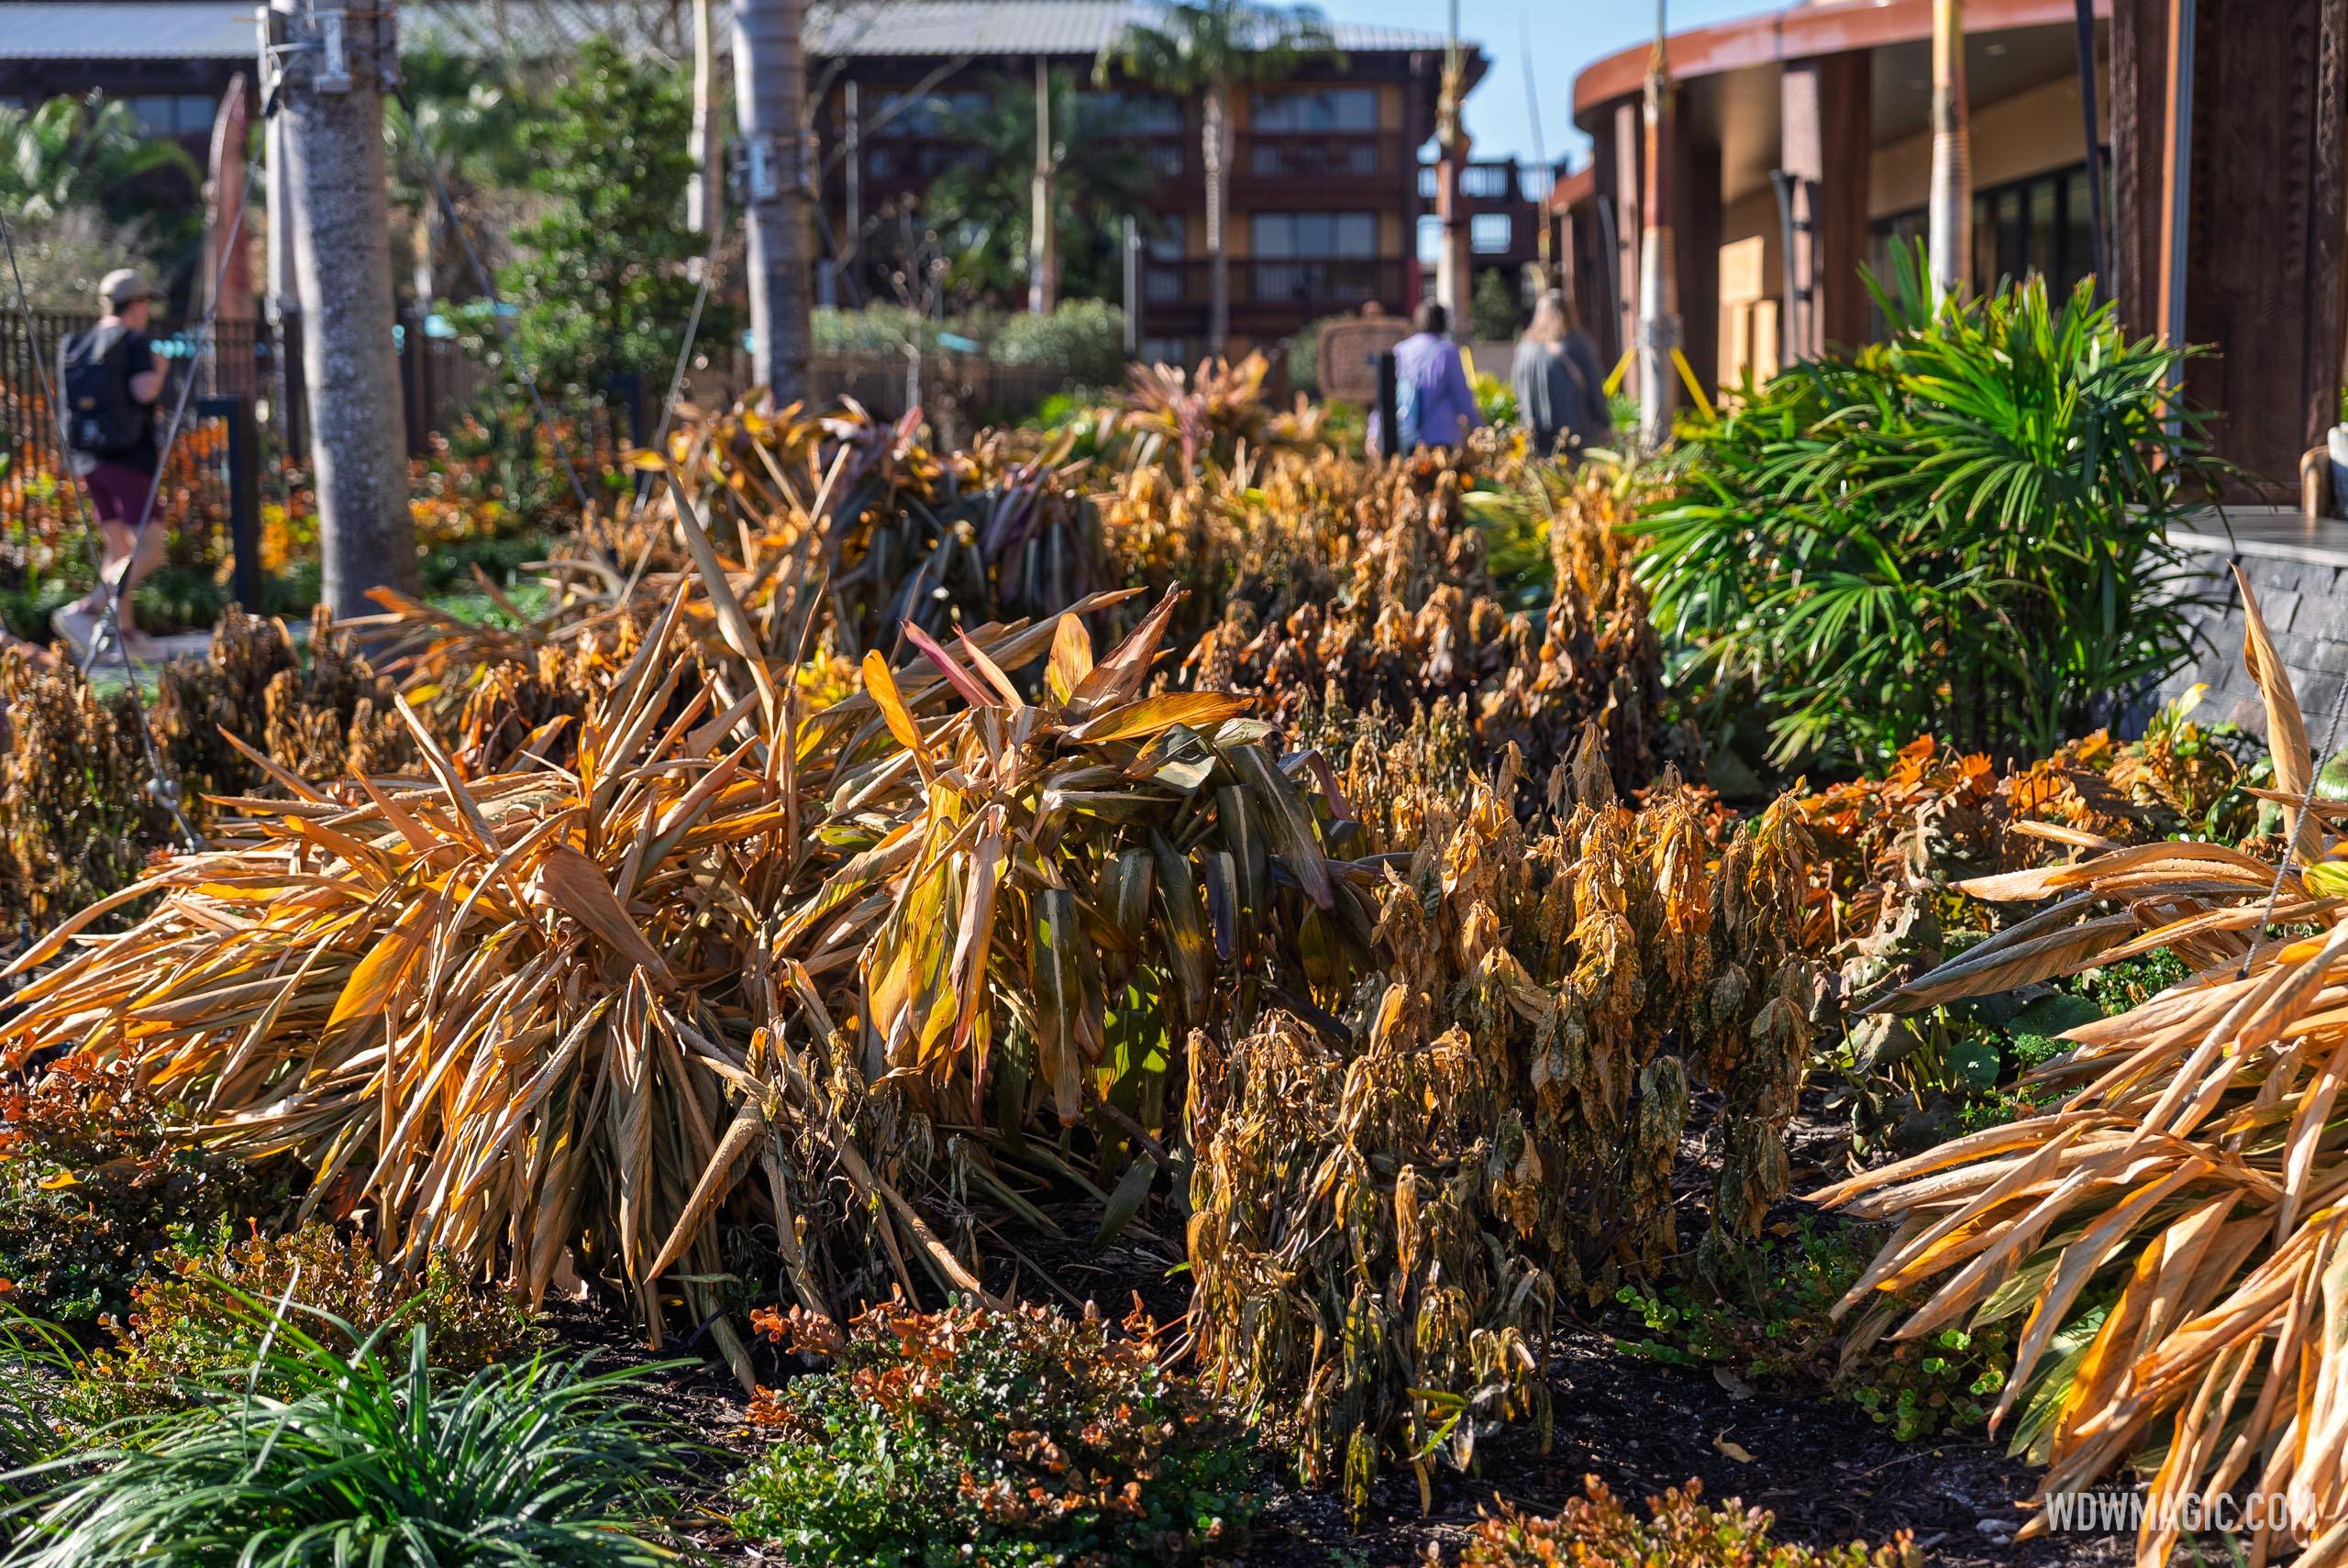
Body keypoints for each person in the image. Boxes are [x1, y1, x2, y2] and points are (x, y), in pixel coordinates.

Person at [53, 268, 169, 663]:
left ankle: (126, 635)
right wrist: (159, 370)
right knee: (150, 549)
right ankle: (84, 611)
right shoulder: (133, 341)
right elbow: (144, 389)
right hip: (128, 457)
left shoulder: (79, 343)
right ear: (137, 305)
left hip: (88, 458)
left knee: (118, 547)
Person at [1511, 291, 1611, 459]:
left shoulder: (1525, 349)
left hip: (1535, 432)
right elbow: (1594, 386)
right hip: (1574, 430)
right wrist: (1604, 421)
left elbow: (1516, 388)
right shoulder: (1576, 344)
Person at [1372, 300, 1480, 456]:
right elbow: (1462, 396)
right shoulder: (1448, 352)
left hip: (1405, 434)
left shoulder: (1401, 350)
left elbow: (1386, 395)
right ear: (1445, 322)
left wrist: (1374, 430)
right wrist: (1479, 426)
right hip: (1441, 438)